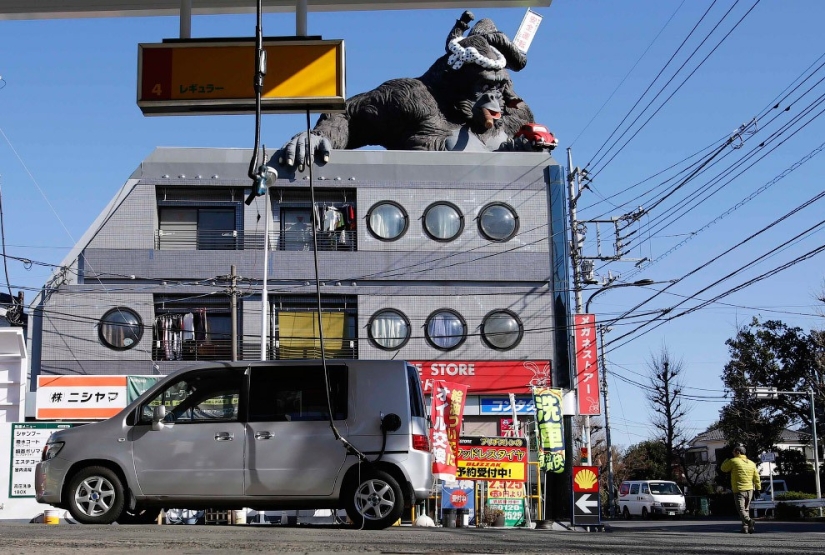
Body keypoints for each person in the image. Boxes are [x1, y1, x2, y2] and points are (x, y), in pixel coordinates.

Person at [720, 444, 761, 533]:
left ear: (738, 452)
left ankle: (749, 521)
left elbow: (723, 468)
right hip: (750, 489)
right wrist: (758, 488)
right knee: (746, 509)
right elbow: (756, 477)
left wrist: (726, 459)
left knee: (741, 509)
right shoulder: (751, 463)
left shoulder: (733, 461)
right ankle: (746, 527)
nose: (732, 453)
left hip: (739, 489)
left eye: (733, 452)